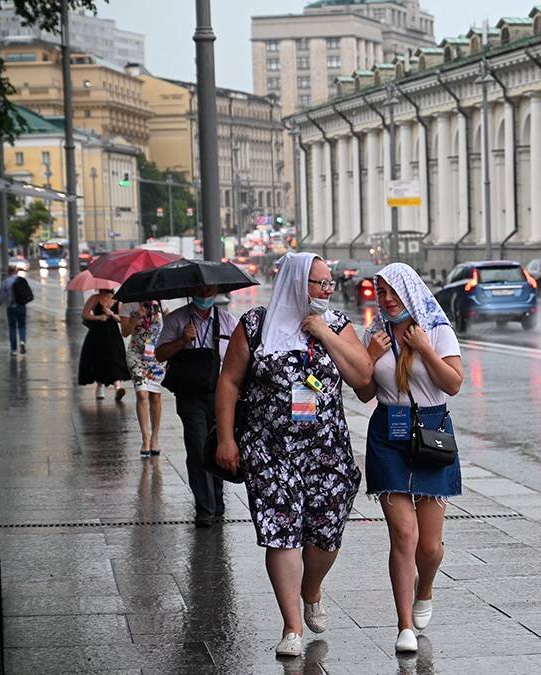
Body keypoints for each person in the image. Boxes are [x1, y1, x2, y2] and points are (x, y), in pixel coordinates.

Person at [214, 252, 372, 658]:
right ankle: (292, 627)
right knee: (280, 533)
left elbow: (364, 379)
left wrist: (324, 333)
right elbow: (229, 382)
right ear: (297, 284)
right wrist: (227, 439)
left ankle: (312, 588)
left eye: (330, 283)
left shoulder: (336, 323)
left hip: (327, 449)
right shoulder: (256, 326)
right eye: (320, 283)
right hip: (270, 450)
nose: (328, 290)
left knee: (326, 533)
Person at [354, 263, 463, 654]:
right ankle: (403, 625)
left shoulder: (436, 329)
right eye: (380, 293)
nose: (385, 300)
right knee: (404, 534)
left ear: (410, 292)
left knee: (430, 547)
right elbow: (365, 393)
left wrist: (425, 350)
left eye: (392, 293)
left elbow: (453, 383)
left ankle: (426, 587)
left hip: (432, 432)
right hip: (388, 431)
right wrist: (369, 355)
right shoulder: (376, 333)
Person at [156, 285, 237, 527]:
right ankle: (205, 507)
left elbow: (240, 357)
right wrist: (182, 340)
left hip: (221, 393)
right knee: (197, 446)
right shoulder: (177, 319)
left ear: (216, 292)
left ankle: (217, 500)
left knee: (219, 445)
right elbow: (160, 354)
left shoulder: (227, 321)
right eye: (199, 291)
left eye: (209, 290)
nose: (204, 296)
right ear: (191, 292)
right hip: (190, 394)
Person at [120, 300, 167, 458]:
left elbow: (170, 322)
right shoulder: (128, 305)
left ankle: (155, 437)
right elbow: (125, 332)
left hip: (156, 356)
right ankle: (145, 438)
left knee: (155, 395)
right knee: (142, 393)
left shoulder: (160, 302)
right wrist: (135, 319)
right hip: (136, 355)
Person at [78, 288, 131, 400]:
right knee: (98, 359)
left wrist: (110, 313)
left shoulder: (117, 301)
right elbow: (85, 314)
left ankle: (118, 388)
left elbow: (121, 319)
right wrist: (98, 317)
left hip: (113, 335)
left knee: (115, 359)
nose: (103, 292)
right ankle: (99, 387)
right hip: (96, 334)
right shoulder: (94, 298)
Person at [0, 265, 32, 355]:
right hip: (21, 306)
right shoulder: (21, 280)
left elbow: (2, 296)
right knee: (22, 325)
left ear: (8, 272)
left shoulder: (6, 282)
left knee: (12, 328)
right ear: (16, 271)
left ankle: (14, 350)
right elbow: (27, 292)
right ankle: (22, 342)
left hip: (11, 307)